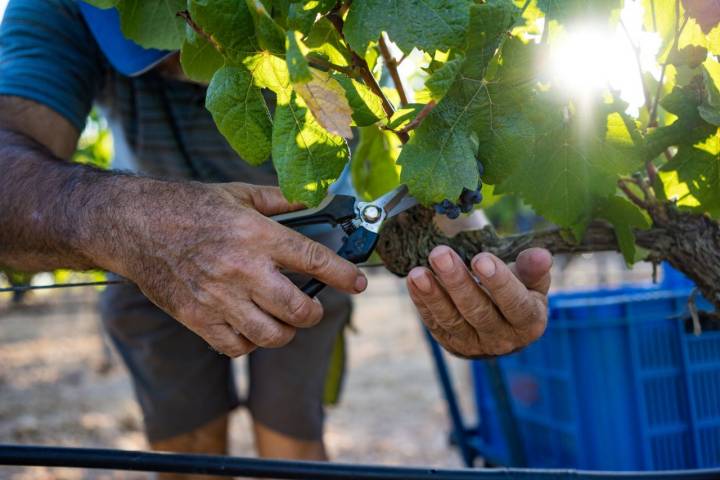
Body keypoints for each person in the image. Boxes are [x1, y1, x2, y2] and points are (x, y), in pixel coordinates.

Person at [0, 0, 552, 477]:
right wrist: (131, 222)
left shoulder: (353, 13)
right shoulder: (59, 9)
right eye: (169, 31)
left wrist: (474, 258)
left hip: (322, 252)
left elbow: (421, 148)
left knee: (292, 453)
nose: (193, 52)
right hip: (139, 257)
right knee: (184, 456)